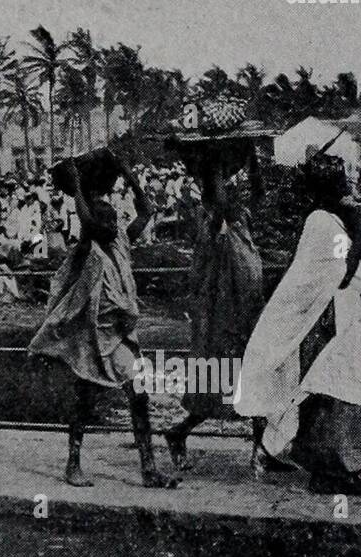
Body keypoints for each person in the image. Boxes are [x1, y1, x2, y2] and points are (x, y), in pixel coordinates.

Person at [234, 158, 361, 494]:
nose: (347, 185)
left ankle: (348, 468)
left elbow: (347, 268)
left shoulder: (331, 220)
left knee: (351, 393)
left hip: (348, 317)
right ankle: (327, 473)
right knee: (331, 398)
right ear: (330, 189)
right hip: (331, 322)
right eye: (340, 181)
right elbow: (340, 274)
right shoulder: (321, 222)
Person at [30, 152, 176, 488]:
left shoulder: (121, 240)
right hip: (94, 338)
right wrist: (78, 186)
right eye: (105, 221)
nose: (112, 224)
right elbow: (85, 216)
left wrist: (129, 175)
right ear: (93, 225)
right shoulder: (89, 247)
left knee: (138, 395)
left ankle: (149, 467)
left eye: (113, 219)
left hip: (121, 335)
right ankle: (73, 463)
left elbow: (147, 212)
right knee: (85, 400)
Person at [164, 146, 267, 469]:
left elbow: (258, 195)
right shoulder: (212, 220)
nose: (236, 196)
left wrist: (250, 158)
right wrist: (217, 167)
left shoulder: (241, 221)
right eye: (227, 190)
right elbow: (220, 202)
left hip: (249, 310)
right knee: (222, 383)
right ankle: (181, 431)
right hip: (227, 316)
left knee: (256, 379)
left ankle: (262, 450)